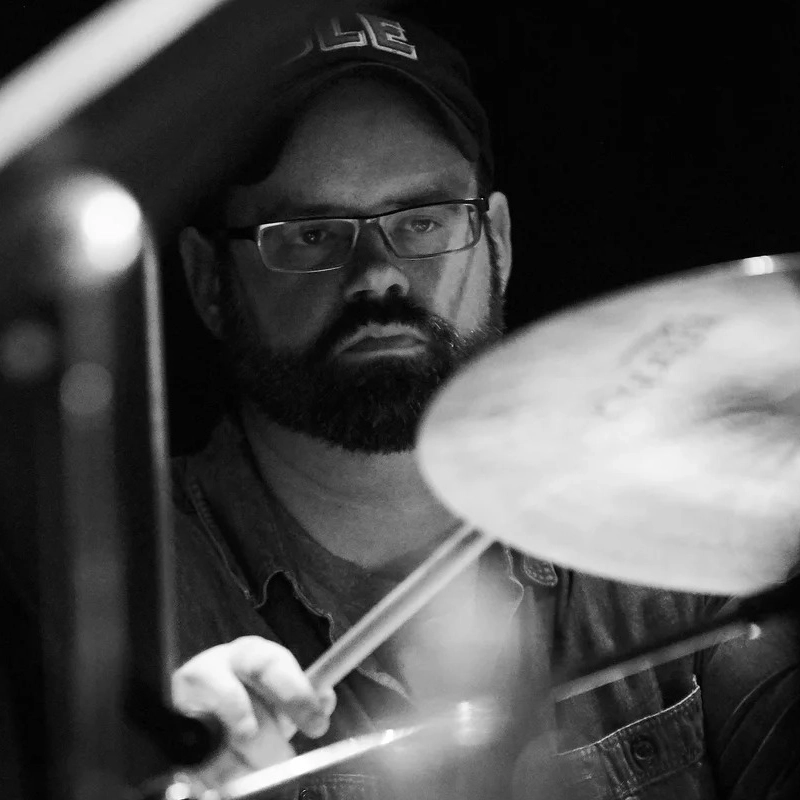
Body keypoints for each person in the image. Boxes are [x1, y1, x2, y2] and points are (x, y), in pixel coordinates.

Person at [168, 7, 800, 799]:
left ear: (496, 239)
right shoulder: (118, 596)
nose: (377, 274)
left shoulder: (663, 522)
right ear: (209, 280)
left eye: (423, 221)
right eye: (310, 234)